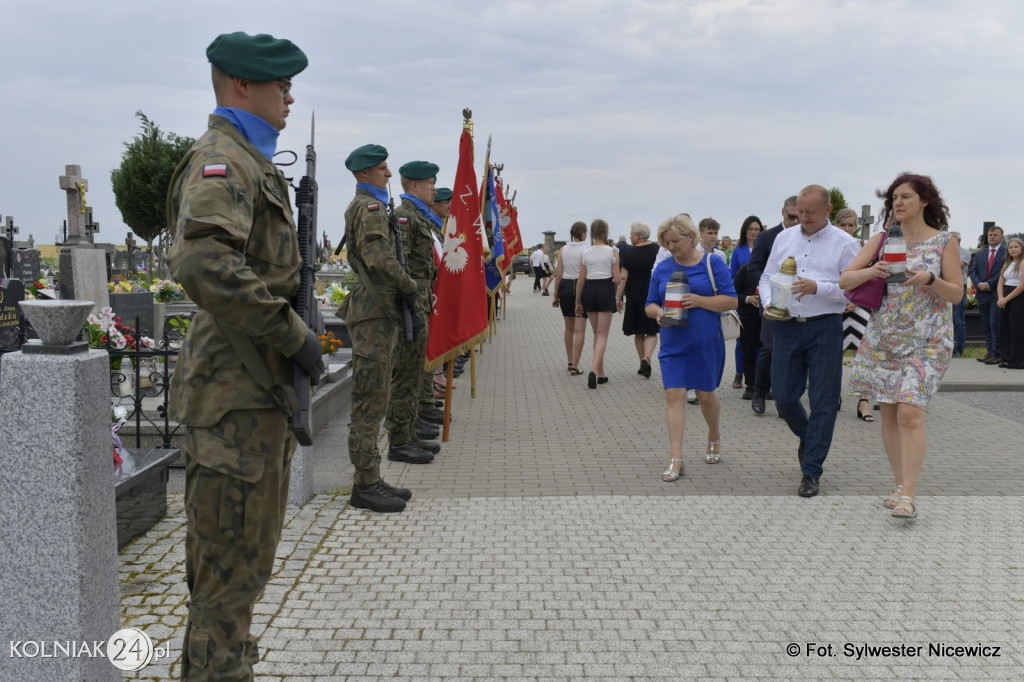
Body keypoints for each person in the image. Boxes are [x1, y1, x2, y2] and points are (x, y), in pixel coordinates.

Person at [166, 31, 323, 679]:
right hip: (234, 401)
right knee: (226, 587)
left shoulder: (252, 162)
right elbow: (202, 260)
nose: (289, 93)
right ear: (239, 86)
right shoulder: (223, 160)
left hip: (252, 399)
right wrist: (294, 335)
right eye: (278, 82)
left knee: (242, 577)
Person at [844, 173, 962, 519]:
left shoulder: (944, 241)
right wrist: (872, 271)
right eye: (894, 197)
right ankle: (899, 484)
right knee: (891, 414)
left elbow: (956, 293)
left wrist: (930, 279)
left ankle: (909, 494)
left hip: (928, 340)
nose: (898, 203)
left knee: (910, 411)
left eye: (906, 197)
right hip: (884, 339)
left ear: (924, 201)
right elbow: (845, 279)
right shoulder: (881, 239)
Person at [759, 185, 859, 498]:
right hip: (786, 324)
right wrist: (767, 301)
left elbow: (854, 291)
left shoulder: (846, 243)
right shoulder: (784, 237)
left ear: (827, 210)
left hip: (825, 326)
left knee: (823, 401)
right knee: (785, 396)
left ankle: (811, 472)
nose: (803, 218)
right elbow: (766, 277)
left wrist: (819, 287)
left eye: (810, 213)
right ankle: (809, 436)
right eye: (799, 212)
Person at [337, 143, 421, 514]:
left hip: (377, 312)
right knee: (370, 399)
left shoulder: (372, 207)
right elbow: (379, 258)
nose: (389, 174)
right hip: (373, 313)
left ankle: (371, 476)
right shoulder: (368, 208)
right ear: (364, 173)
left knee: (378, 393)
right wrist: (409, 284)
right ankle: (364, 484)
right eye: (383, 169)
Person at [645, 214, 737, 481]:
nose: (671, 247)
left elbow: (731, 300)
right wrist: (657, 312)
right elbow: (648, 303)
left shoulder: (713, 263)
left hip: (706, 342)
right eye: (666, 243)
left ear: (691, 238)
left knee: (706, 395)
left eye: (675, 241)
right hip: (673, 343)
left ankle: (714, 435)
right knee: (673, 396)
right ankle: (676, 458)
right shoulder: (662, 268)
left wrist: (699, 300)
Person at [383, 161, 444, 465]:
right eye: (430, 183)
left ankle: (409, 432)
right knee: (406, 371)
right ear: (415, 186)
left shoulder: (418, 214)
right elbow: (400, 259)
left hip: (421, 296)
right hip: (412, 297)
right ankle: (401, 437)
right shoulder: (406, 215)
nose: (434, 187)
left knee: (415, 367)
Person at [746, 196, 800, 416]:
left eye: (800, 216)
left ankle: (784, 398)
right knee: (769, 349)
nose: (797, 221)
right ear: (783, 213)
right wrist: (776, 286)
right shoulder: (768, 237)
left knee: (792, 353)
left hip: (798, 303)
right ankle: (759, 392)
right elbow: (755, 269)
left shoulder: (808, 238)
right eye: (792, 217)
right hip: (772, 302)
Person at [834, 207, 874, 420]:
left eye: (851, 225)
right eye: (844, 225)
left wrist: (854, 299)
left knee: (864, 355)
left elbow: (870, 277)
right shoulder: (830, 245)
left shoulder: (864, 246)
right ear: (836, 225)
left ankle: (863, 402)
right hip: (836, 306)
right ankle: (834, 397)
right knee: (834, 356)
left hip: (859, 307)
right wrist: (842, 299)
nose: (848, 229)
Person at [575, 219, 619, 388]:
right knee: (602, 335)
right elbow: (616, 279)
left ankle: (601, 373)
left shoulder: (585, 252)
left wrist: (578, 302)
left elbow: (580, 281)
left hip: (589, 290)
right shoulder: (612, 252)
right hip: (605, 289)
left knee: (596, 333)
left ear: (592, 233)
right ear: (606, 232)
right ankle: (594, 370)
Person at [615, 222, 660, 378]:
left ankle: (643, 362)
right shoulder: (656, 249)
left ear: (638, 236)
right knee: (652, 331)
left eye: (631, 233)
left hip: (634, 295)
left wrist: (618, 296)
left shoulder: (628, 253)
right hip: (653, 296)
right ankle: (647, 358)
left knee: (639, 332)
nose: (629, 236)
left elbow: (623, 277)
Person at [729, 216, 764, 389]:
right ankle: (739, 372)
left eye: (757, 229)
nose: (753, 232)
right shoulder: (739, 250)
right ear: (745, 231)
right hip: (743, 297)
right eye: (751, 229)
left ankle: (757, 375)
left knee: (759, 343)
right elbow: (733, 274)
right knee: (742, 341)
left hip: (761, 303)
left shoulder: (764, 248)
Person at [551, 221, 589, 375]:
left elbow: (558, 274)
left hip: (565, 286)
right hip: (581, 285)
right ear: (583, 232)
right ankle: (576, 364)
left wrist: (555, 294)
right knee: (580, 329)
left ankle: (569, 360)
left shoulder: (563, 250)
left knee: (568, 327)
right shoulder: (586, 249)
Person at [969, 225, 1006, 364]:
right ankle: (989, 352)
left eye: (995, 235)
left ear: (1002, 237)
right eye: (990, 235)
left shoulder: (1006, 253)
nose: (992, 237)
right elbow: (973, 271)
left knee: (994, 324)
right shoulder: (980, 253)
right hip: (982, 294)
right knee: (985, 325)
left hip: (997, 293)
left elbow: (1003, 272)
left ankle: (997, 354)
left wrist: (989, 284)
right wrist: (979, 284)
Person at [732, 262, 761, 399]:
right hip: (748, 317)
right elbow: (733, 293)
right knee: (748, 352)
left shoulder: (774, 268)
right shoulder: (745, 269)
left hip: (769, 318)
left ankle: (765, 386)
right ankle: (750, 386)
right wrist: (747, 298)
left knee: (768, 354)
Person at [996, 237, 1024, 368]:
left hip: (1018, 297)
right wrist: (1001, 298)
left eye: (1016, 247)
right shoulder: (1006, 264)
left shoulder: (1023, 263)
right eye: (1010, 247)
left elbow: (1022, 286)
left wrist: (1006, 299)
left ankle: (1017, 360)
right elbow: (1000, 282)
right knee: (1004, 328)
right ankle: (1006, 358)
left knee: (1016, 328)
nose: (1013, 249)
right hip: (1005, 296)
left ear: (1021, 248)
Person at [948, 231, 971, 357]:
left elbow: (957, 266)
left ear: (959, 241)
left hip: (959, 286)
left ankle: (959, 348)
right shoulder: (944, 251)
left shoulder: (965, 252)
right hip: (945, 286)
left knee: (958, 319)